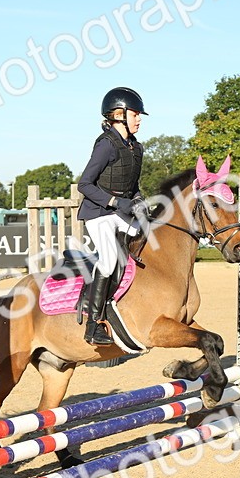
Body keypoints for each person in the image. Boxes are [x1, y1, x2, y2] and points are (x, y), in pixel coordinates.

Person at [76, 86, 148, 346]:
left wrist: (139, 201)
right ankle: (93, 324)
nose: (139, 120)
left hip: (119, 211)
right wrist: (117, 202)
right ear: (119, 115)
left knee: (148, 235)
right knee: (107, 262)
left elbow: (132, 185)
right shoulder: (106, 145)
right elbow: (84, 184)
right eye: (135, 114)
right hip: (98, 212)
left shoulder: (135, 148)